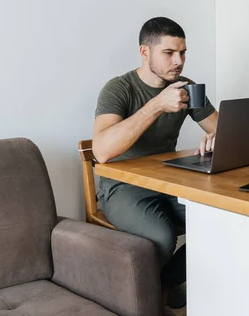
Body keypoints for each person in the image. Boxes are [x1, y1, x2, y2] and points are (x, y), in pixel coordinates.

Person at [92, 17, 218, 313]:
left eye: (183, 52)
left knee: (221, 223)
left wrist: (215, 139)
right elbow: (102, 150)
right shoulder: (118, 88)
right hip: (122, 186)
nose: (179, 61)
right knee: (162, 237)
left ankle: (164, 283)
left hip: (169, 180)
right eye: (169, 53)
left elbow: (220, 129)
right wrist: (157, 105)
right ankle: (148, 302)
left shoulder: (187, 88)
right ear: (144, 52)